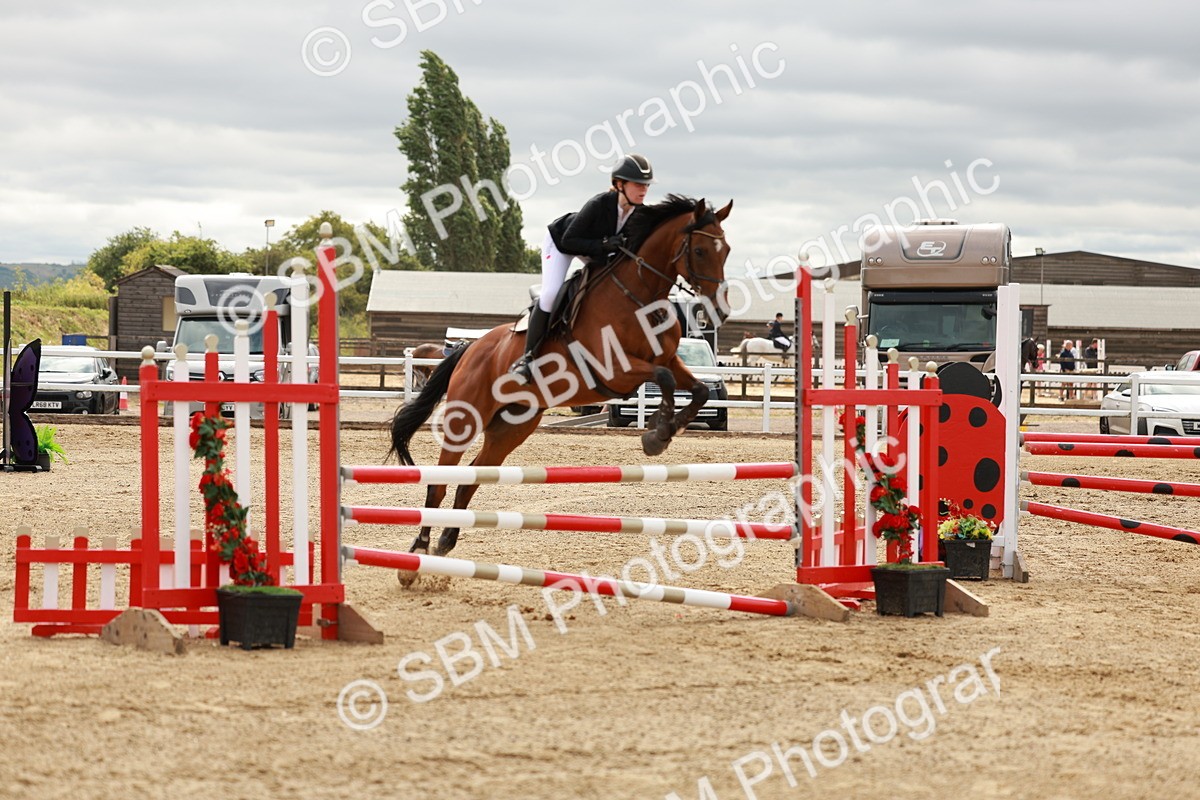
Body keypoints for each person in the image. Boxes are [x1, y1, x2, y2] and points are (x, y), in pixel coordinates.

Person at [510, 153, 654, 383]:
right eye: (638, 184)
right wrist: (604, 244)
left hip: (593, 250)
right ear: (619, 184)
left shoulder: (639, 214)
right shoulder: (599, 204)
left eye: (646, 185)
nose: (643, 190)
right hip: (561, 243)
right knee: (549, 294)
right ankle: (527, 359)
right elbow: (569, 241)